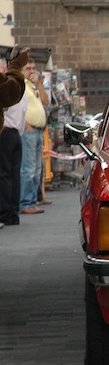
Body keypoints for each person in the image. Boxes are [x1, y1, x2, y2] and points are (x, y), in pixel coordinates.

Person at [0, 46, 30, 229]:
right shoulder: (15, 83)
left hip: (11, 133)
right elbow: (11, 92)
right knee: (8, 174)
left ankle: (10, 212)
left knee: (9, 174)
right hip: (10, 133)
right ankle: (9, 212)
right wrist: (16, 65)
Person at [19, 56, 49, 215]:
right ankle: (25, 203)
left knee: (37, 169)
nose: (31, 71)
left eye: (33, 68)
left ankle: (32, 201)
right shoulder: (20, 85)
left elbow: (46, 101)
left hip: (38, 131)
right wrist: (25, 125)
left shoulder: (33, 85)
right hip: (29, 132)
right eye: (28, 69)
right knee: (28, 169)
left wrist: (38, 84)